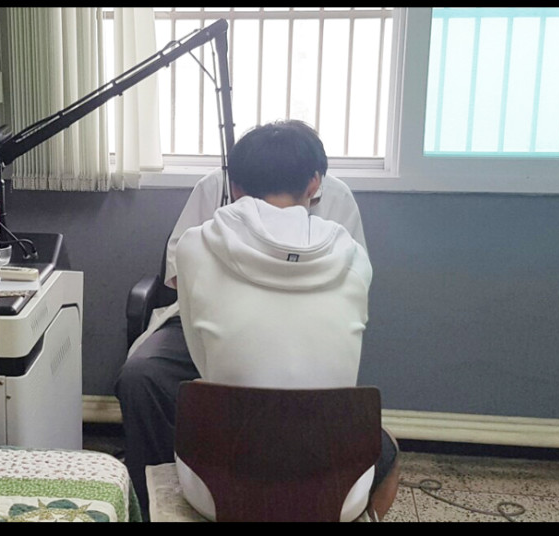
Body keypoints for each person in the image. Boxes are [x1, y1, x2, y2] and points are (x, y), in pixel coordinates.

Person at [114, 120, 371, 519]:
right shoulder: (210, 189)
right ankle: (149, 496)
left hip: (281, 333)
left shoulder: (339, 199)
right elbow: (180, 282)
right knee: (141, 375)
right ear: (312, 181)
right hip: (207, 315)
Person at [173, 121, 399, 521]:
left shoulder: (194, 246)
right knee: (387, 446)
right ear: (314, 184)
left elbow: (201, 356)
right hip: (334, 493)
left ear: (235, 187)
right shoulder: (353, 256)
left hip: (218, 489)